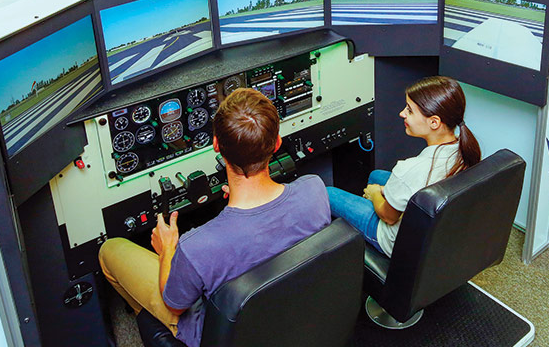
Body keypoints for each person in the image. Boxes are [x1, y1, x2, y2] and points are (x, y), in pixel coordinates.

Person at [98, 88, 330, 347]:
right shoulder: (315, 190)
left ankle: (153, 327)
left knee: (110, 250)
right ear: (276, 143)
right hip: (292, 317)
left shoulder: (194, 246)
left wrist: (167, 251)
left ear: (216, 145)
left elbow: (174, 304)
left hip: (218, 333)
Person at [326, 76, 481, 257]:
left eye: (410, 110)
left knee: (328, 193)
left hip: (395, 240)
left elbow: (389, 217)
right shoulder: (464, 150)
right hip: (435, 228)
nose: (402, 114)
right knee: (376, 175)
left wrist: (376, 193)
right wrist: (384, 190)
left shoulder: (409, 169)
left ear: (434, 122)